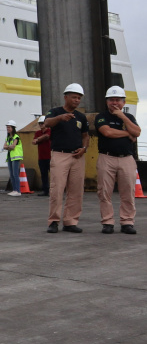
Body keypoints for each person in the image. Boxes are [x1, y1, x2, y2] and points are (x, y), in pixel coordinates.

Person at [43, 83, 90, 233]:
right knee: (57, 189)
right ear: (66, 97)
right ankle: (54, 221)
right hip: (60, 154)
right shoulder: (55, 112)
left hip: (77, 157)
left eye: (79, 98)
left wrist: (84, 148)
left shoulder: (81, 117)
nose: (77, 100)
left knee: (76, 191)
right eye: (74, 97)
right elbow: (47, 123)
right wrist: (60, 118)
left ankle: (70, 221)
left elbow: (85, 136)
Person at [95, 86, 140, 235]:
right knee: (104, 192)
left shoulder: (129, 118)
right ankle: (107, 222)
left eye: (117, 100)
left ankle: (127, 222)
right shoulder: (101, 117)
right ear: (107, 101)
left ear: (124, 102)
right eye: (111, 100)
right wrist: (128, 134)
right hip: (107, 157)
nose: (114, 103)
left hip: (126, 159)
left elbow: (137, 132)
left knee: (128, 191)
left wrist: (122, 117)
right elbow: (107, 132)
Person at [32, 116, 51, 196]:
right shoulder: (37, 132)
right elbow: (33, 142)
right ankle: (45, 191)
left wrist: (38, 139)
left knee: (54, 175)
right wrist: (38, 140)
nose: (41, 125)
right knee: (44, 175)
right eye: (40, 123)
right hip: (41, 157)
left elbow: (47, 136)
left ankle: (55, 190)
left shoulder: (50, 130)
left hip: (50, 157)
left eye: (42, 123)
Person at [4, 121, 23, 196]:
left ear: (13, 128)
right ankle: (14, 189)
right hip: (10, 157)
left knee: (15, 174)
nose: (7, 129)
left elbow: (13, 146)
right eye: (7, 127)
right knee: (11, 174)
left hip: (16, 157)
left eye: (9, 127)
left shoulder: (16, 137)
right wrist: (9, 147)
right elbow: (4, 146)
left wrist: (8, 147)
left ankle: (18, 191)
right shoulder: (8, 137)